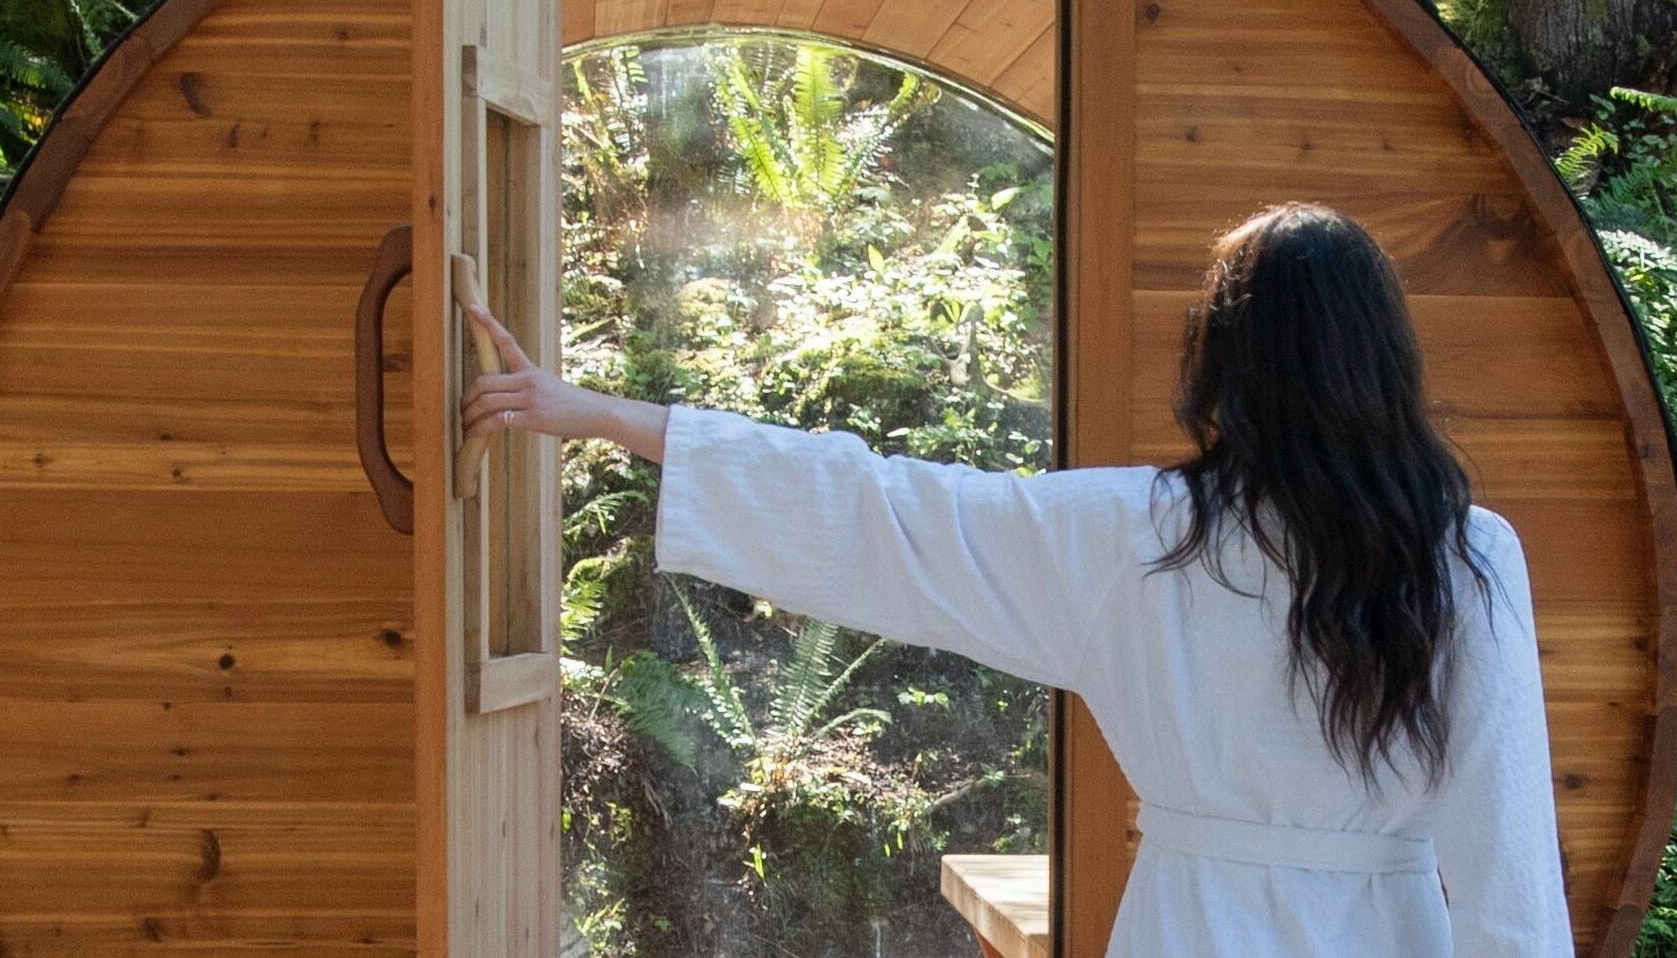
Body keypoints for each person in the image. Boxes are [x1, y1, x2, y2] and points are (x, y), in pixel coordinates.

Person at [460, 200, 1576, 958]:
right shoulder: (1466, 559)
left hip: (1189, 926)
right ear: (1384, 363)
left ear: (1224, 362)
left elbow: (882, 511)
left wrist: (607, 416)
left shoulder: (1137, 535)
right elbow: (1508, 867)